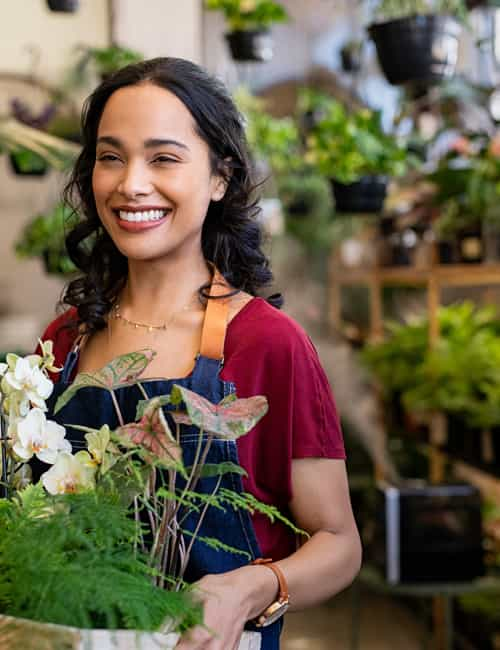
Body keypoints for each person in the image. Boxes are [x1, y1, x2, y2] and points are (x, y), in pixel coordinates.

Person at [38, 57, 362, 650]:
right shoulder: (67, 337)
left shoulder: (267, 343)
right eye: (111, 157)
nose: (131, 183)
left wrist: (248, 588)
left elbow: (339, 543)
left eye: (163, 158)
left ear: (219, 178)